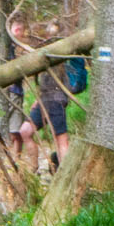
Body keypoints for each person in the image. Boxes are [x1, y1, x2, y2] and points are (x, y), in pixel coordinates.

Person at [8, 18, 81, 174]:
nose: (48, 35)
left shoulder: (62, 51)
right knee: (25, 131)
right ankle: (33, 169)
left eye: (52, 32)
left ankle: (64, 175)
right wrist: (37, 101)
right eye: (49, 32)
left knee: (61, 140)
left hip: (56, 101)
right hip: (44, 101)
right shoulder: (47, 50)